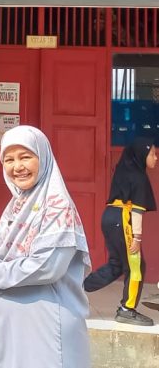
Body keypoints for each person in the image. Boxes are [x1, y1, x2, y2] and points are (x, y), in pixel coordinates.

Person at [0, 125, 91, 368]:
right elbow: (11, 256)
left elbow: (46, 267)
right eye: (9, 159)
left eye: (25, 157)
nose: (17, 166)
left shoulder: (57, 206)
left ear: (43, 158)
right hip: (16, 326)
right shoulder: (19, 203)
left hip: (45, 326)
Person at [84, 137, 157, 325]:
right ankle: (127, 310)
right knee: (136, 266)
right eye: (152, 154)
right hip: (123, 219)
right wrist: (137, 238)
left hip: (110, 216)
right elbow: (137, 211)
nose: (155, 158)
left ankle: (77, 287)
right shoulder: (139, 177)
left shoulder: (124, 170)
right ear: (142, 154)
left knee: (117, 264)